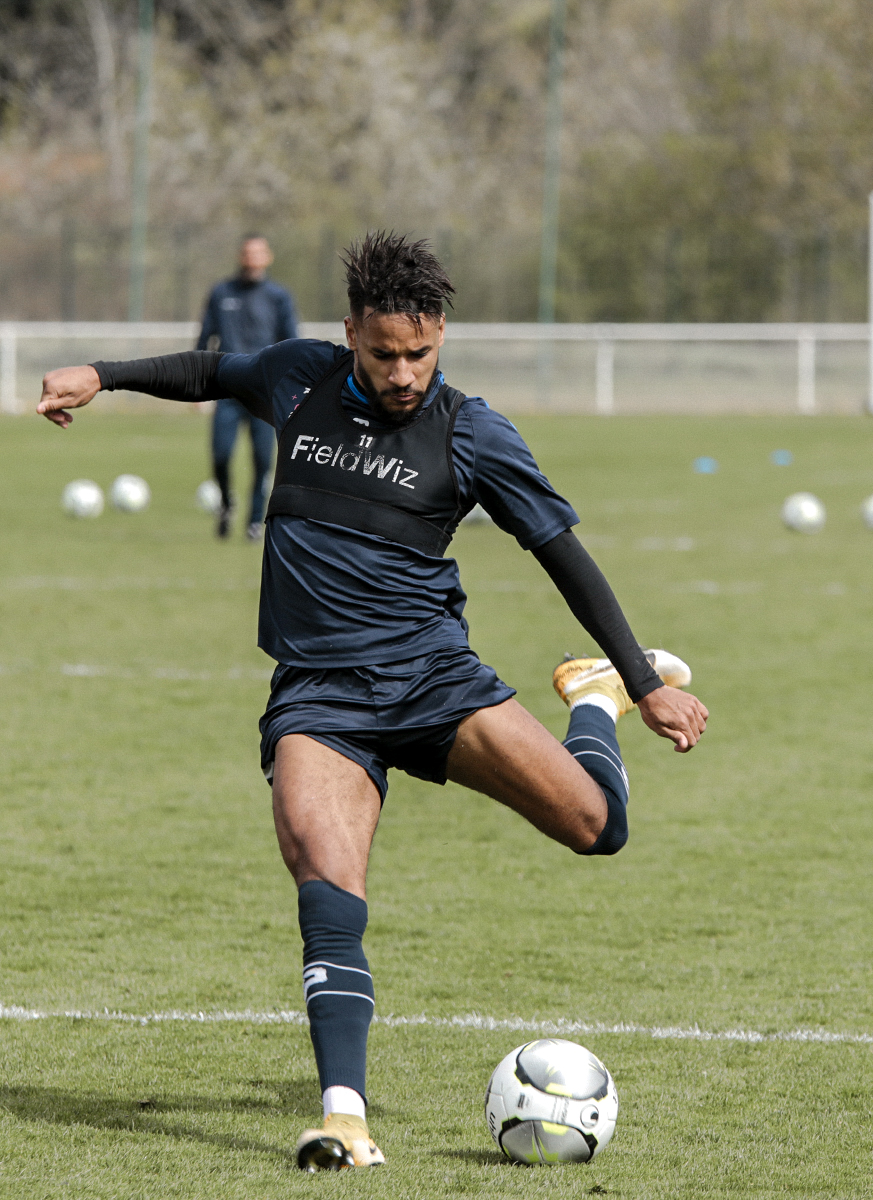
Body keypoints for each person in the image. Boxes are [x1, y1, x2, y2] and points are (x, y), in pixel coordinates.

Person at [38, 233, 706, 1169]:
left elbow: (564, 556)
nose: (403, 374)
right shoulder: (300, 378)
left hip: (434, 680)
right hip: (320, 698)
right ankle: (343, 1116)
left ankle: (588, 701)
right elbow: (210, 370)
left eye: (421, 354)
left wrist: (639, 682)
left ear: (441, 338)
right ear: (350, 332)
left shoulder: (473, 432)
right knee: (326, 880)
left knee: (600, 827)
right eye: (385, 352)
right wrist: (100, 376)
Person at [196, 234, 297, 540]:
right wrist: (197, 388)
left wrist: (290, 390)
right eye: (247, 253)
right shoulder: (221, 292)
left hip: (264, 392)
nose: (252, 258)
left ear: (268, 257)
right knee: (221, 455)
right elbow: (204, 341)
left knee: (263, 460)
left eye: (258, 253)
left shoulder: (279, 297)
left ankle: (255, 522)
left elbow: (292, 346)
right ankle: (226, 504)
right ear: (241, 256)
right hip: (226, 388)